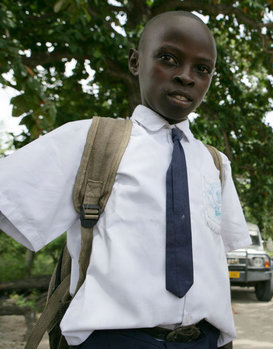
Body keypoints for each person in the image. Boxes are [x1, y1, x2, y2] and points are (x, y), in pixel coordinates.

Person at [0, 11, 251, 349]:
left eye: (201, 69)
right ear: (135, 62)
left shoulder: (216, 164)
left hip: (202, 339)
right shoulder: (90, 140)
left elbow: (215, 262)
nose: (186, 77)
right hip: (114, 339)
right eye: (168, 58)